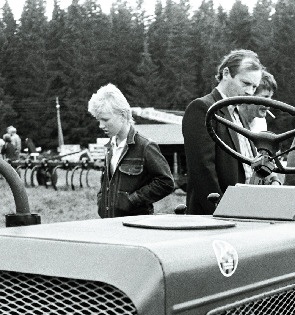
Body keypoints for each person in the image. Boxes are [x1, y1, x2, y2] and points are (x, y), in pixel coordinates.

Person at [183, 49, 264, 214]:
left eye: (254, 87)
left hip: (243, 209)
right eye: (245, 83)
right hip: (216, 214)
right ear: (226, 73)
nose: (250, 92)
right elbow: (203, 169)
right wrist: (221, 210)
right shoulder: (202, 108)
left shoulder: (238, 114)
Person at [88, 83, 175, 219]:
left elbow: (166, 182)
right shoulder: (110, 147)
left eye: (105, 119)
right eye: (99, 120)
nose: (101, 125)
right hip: (108, 223)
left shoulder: (145, 146)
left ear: (123, 115)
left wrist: (133, 200)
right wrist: (102, 202)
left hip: (134, 225)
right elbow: (106, 183)